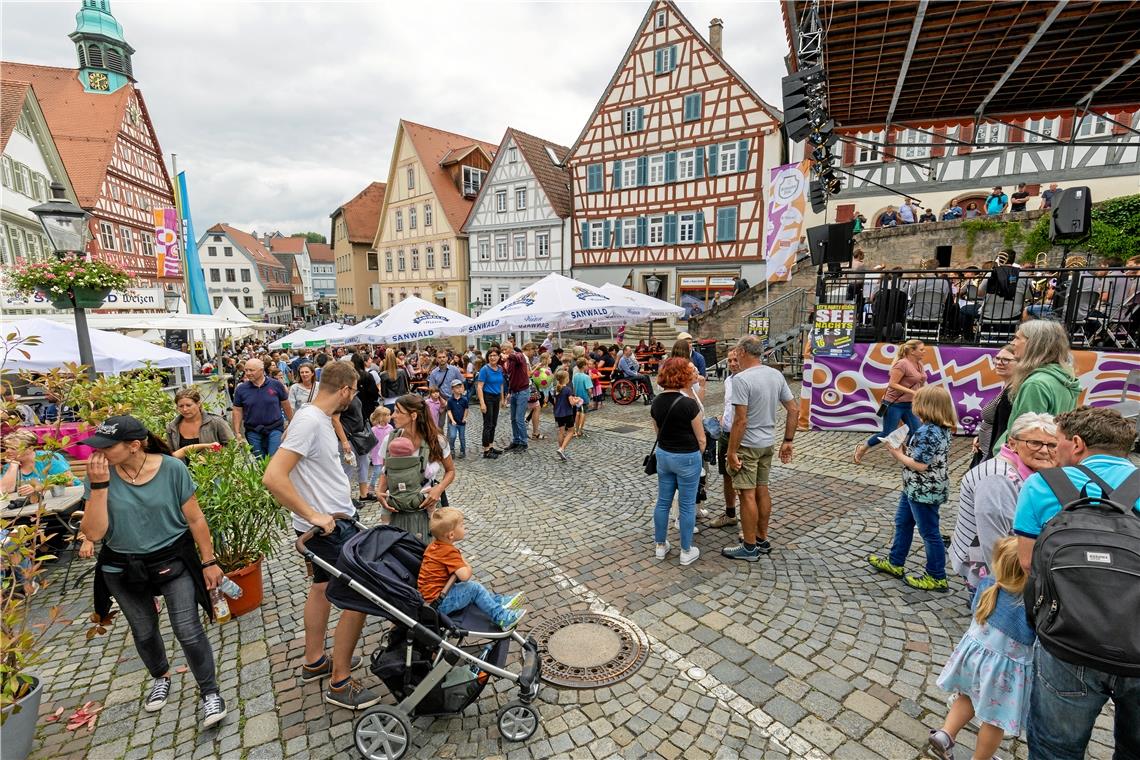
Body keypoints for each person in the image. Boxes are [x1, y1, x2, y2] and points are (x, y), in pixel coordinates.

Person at [78, 416, 227, 727]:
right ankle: (161, 675)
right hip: (121, 566)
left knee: (188, 630)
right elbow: (94, 533)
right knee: (144, 631)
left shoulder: (171, 468)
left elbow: (196, 519)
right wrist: (101, 488)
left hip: (172, 559)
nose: (98, 453)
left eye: (107, 447)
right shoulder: (99, 476)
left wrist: (209, 561)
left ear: (134, 446)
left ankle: (210, 692)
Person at [1012, 407, 1140, 758]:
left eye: (1059, 441)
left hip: (1069, 639)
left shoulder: (1042, 484)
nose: (1055, 449)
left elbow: (1026, 561)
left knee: (1056, 748)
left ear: (1077, 444)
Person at [262, 362, 378, 710]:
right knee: (362, 595)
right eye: (354, 391)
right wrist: (313, 514)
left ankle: (314, 659)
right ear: (345, 389)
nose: (354, 397)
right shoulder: (311, 420)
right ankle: (340, 681)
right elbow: (273, 476)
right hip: (327, 526)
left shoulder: (315, 418)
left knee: (322, 588)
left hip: (330, 520)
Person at [929, 537, 1036, 760]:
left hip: (973, 657)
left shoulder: (989, 584)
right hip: (1002, 671)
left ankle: (945, 734)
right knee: (994, 719)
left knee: (966, 697)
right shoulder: (1029, 600)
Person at [951, 413, 1057, 591]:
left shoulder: (1028, 471)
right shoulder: (998, 478)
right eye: (1034, 443)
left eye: (1052, 445)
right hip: (994, 574)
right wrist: (1008, 587)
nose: (1044, 450)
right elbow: (995, 545)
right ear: (1013, 443)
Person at [868, 385, 956, 591]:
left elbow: (921, 465)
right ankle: (895, 562)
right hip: (917, 487)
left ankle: (936, 576)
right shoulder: (941, 427)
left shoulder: (928, 431)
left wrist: (896, 452)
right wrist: (906, 449)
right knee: (903, 522)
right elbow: (925, 456)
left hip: (923, 490)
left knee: (929, 533)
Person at [720, 336, 796, 561]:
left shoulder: (742, 380)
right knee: (762, 489)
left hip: (748, 445)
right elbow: (794, 410)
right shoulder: (775, 374)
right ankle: (762, 538)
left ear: (742, 351)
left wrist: (732, 452)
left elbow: (740, 421)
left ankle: (750, 546)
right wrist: (788, 441)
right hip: (767, 443)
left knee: (746, 494)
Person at [417, 507, 525, 629]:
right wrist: (465, 563)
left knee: (468, 589)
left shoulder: (433, 546)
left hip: (433, 597)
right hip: (439, 603)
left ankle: (498, 601)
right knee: (474, 588)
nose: (465, 527)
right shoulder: (448, 551)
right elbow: (465, 576)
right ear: (451, 535)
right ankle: (502, 617)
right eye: (462, 525)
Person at [375, 393, 456, 539]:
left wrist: (438, 489)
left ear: (413, 416)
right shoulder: (391, 439)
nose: (393, 416)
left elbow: (450, 471)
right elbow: (386, 471)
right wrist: (380, 492)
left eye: (398, 412)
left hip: (426, 511)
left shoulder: (436, 440)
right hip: (397, 511)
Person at [992, 320, 1079, 454]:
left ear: (1034, 343)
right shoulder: (1063, 377)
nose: (1013, 343)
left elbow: (1026, 435)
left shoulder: (1036, 384)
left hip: (1022, 462)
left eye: (1017, 338)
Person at [650, 358, 706, 566]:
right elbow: (701, 439)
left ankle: (660, 546)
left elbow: (657, 431)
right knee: (686, 504)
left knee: (663, 501)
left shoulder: (656, 401)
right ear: (681, 375)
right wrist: (697, 456)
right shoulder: (689, 404)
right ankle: (686, 550)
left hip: (664, 455)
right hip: (687, 456)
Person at [853, 339, 927, 464]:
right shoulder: (902, 364)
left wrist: (921, 394)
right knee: (887, 433)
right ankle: (862, 448)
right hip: (894, 404)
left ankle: (908, 455)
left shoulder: (919, 364)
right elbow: (892, 384)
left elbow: (920, 381)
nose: (924, 352)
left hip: (910, 404)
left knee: (917, 430)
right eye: (921, 349)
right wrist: (913, 392)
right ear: (912, 351)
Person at [232, 358, 292, 458]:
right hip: (253, 430)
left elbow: (286, 404)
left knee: (274, 458)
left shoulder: (276, 384)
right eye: (246, 370)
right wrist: (237, 432)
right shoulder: (241, 389)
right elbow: (237, 411)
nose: (248, 373)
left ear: (261, 370)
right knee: (259, 460)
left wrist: (291, 422)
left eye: (251, 370)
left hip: (275, 428)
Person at [708, 348, 740, 530]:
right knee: (726, 475)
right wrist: (723, 418)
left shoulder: (748, 381)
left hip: (741, 435)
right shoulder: (728, 380)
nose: (733, 364)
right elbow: (730, 406)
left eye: (736, 360)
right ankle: (730, 514)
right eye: (729, 361)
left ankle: (749, 525)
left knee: (743, 479)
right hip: (725, 432)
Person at [970, 345, 1016, 468]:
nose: (999, 363)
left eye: (1006, 360)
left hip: (995, 456)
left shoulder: (1013, 392)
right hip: (986, 451)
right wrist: (980, 437)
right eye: (997, 358)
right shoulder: (1006, 387)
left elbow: (1006, 427)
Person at [0, 429, 80, 498]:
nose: (7, 451)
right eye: (7, 447)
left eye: (13, 448)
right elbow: (3, 491)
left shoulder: (49, 458)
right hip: (32, 507)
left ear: (30, 449)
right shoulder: (10, 466)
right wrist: (13, 466)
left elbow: (69, 481)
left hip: (70, 498)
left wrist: (38, 487)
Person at [165, 387, 234, 460]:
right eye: (181, 406)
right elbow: (171, 454)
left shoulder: (215, 422)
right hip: (184, 470)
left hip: (213, 468)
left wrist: (216, 457)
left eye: (188, 405)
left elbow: (232, 446)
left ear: (198, 404)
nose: (185, 409)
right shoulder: (172, 427)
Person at [502, 341, 534, 453]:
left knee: (519, 418)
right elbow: (510, 377)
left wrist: (508, 356)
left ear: (510, 349)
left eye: (505, 350)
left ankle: (523, 442)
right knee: (513, 419)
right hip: (514, 391)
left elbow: (518, 358)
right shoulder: (509, 361)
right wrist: (509, 392)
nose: (503, 352)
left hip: (523, 391)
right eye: (503, 350)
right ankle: (516, 440)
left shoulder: (518, 355)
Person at [476, 347, 505, 459]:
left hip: (496, 397)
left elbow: (501, 384)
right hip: (487, 397)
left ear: (498, 357)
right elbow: (479, 387)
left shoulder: (500, 369)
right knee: (487, 424)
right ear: (488, 357)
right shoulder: (485, 369)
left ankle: (491, 446)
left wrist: (502, 399)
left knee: (494, 423)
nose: (493, 357)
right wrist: (482, 403)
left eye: (495, 355)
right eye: (490, 355)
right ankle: (486, 450)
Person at [552, 370, 582, 461]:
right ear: (566, 379)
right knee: (571, 431)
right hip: (567, 413)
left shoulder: (556, 389)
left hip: (558, 414)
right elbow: (572, 403)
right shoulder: (568, 389)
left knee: (561, 432)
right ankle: (562, 449)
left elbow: (555, 402)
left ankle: (561, 450)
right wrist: (578, 400)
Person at [367, 407, 393, 500]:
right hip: (377, 453)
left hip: (388, 453)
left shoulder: (390, 428)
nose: (390, 417)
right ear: (381, 417)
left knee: (387, 470)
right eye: (388, 415)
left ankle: (386, 487)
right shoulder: (374, 429)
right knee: (377, 471)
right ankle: (371, 486)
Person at [445, 379, 468, 460]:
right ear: (452, 389)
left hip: (462, 423)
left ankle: (462, 450)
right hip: (453, 423)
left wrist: (464, 418)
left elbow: (466, 409)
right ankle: (451, 449)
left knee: (462, 437)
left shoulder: (464, 399)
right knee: (452, 436)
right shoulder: (450, 400)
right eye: (457, 388)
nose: (459, 389)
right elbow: (449, 411)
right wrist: (452, 420)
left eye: (460, 387)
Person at [571, 357, 593, 438]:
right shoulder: (586, 377)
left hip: (577, 398)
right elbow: (589, 390)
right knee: (583, 414)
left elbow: (573, 386)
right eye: (587, 364)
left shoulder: (575, 376)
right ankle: (579, 430)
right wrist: (590, 398)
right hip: (584, 398)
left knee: (578, 413)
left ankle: (576, 429)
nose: (588, 366)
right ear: (583, 366)